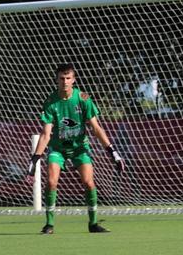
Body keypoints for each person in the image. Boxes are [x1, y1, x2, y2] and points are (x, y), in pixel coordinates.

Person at [26, 63, 124, 234]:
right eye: (61, 78)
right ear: (56, 80)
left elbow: (96, 128)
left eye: (68, 78)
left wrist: (112, 151)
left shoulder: (83, 99)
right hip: (57, 149)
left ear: (74, 80)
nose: (65, 81)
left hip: (80, 148)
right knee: (51, 181)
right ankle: (49, 224)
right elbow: (45, 134)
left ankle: (93, 223)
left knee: (88, 182)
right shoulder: (50, 102)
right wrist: (34, 160)